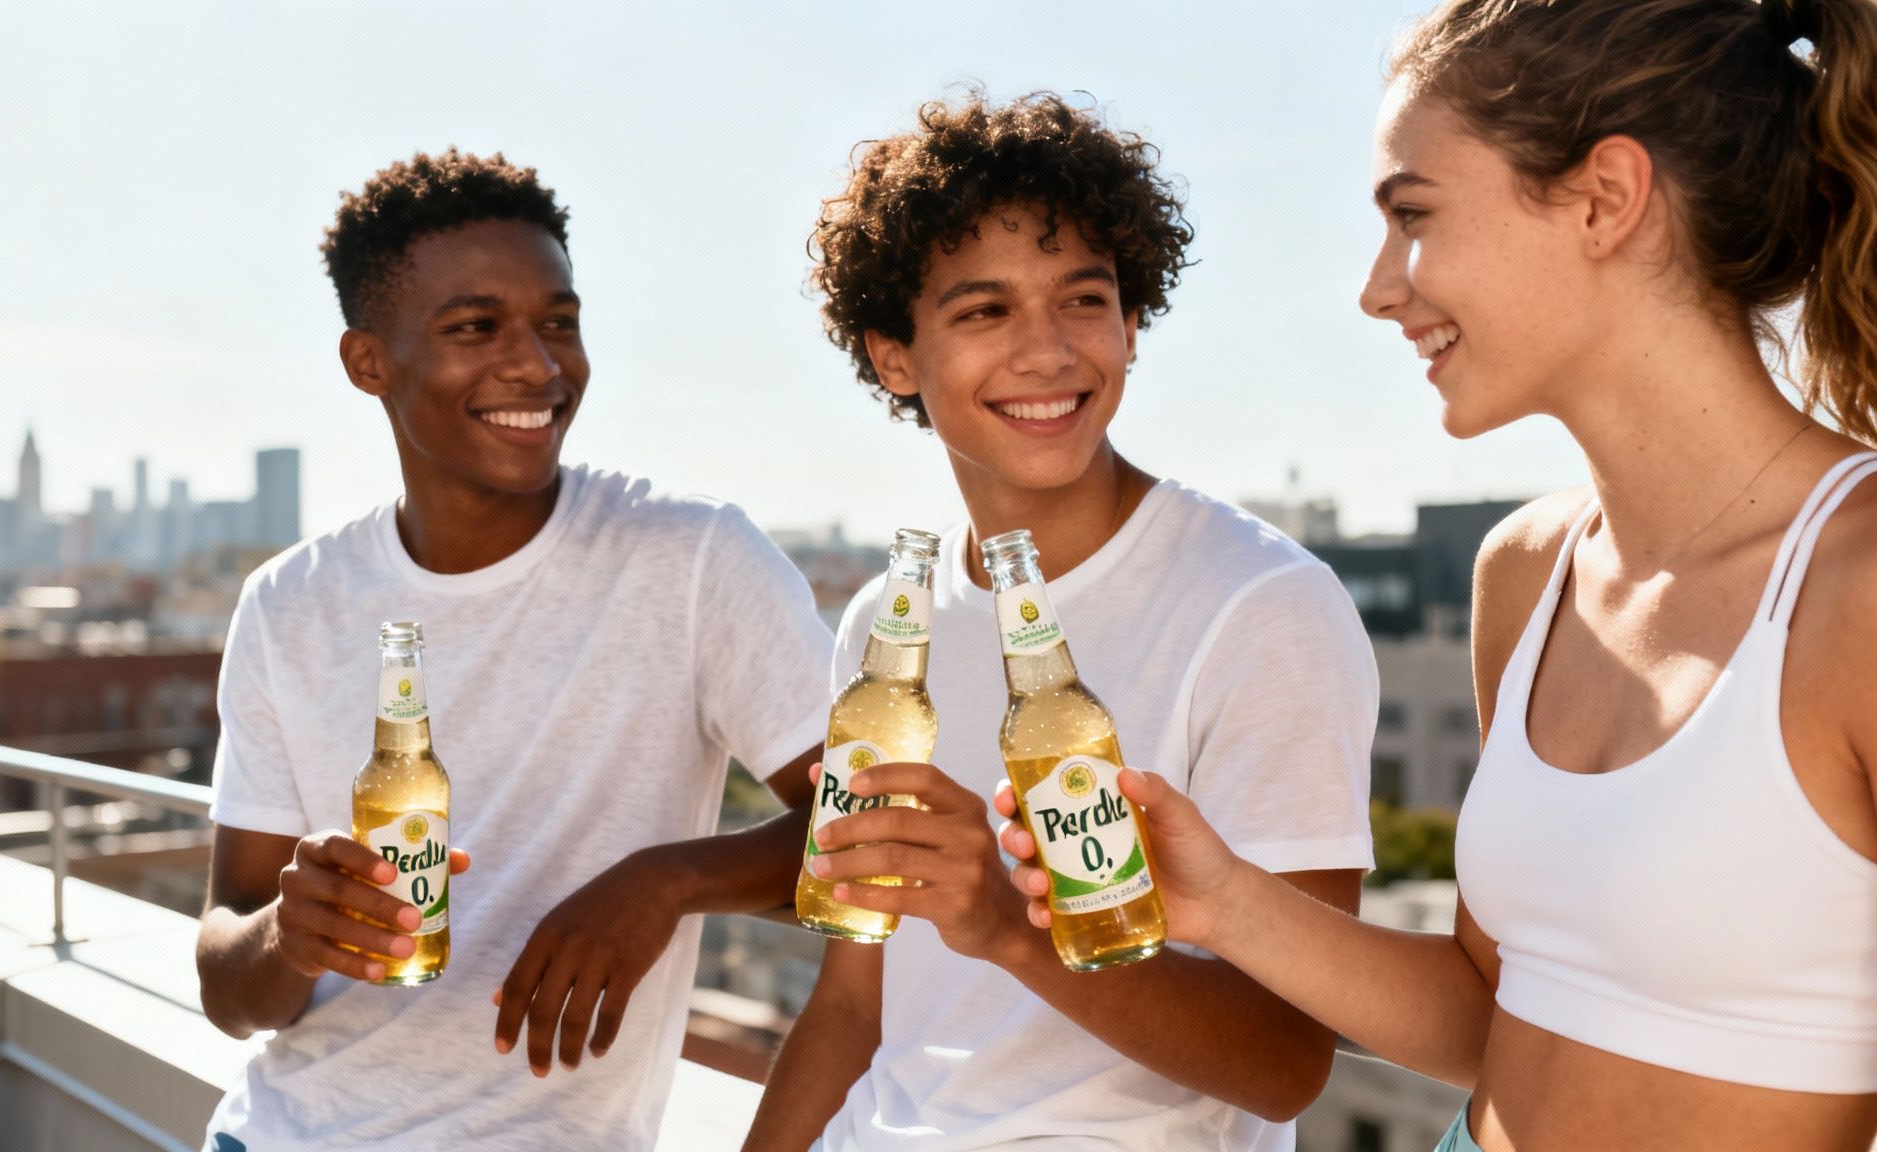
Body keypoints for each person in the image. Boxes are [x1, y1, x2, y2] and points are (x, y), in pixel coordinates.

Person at [1003, 2, 1877, 1149]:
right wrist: (1219, 897)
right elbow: (1493, 1015)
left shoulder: (1853, 586)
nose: (1376, 286)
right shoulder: (1526, 571)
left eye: (1410, 214)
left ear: (1603, 199)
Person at [744, 92, 1380, 1151]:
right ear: (894, 355)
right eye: (983, 312)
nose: (1046, 354)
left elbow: (1282, 1065)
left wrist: (1006, 925)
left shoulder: (1261, 605)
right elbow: (854, 1009)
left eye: (1082, 301)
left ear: (1131, 322)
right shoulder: (879, 628)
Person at [193, 149, 834, 1151]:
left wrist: (666, 881)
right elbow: (229, 985)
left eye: (558, 324)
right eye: (475, 327)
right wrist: (289, 934)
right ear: (369, 363)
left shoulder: (694, 557)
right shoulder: (287, 605)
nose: (537, 366)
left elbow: (880, 838)